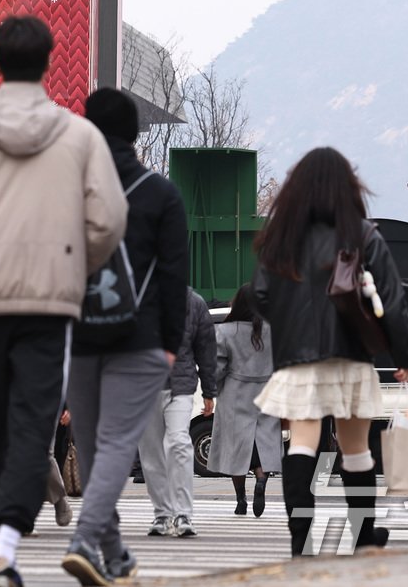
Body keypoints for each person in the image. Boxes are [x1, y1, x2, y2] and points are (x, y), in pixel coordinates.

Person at [0, 16, 128, 587]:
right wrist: (72, 263)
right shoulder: (79, 137)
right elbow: (109, 219)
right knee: (34, 415)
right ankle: (9, 536)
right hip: (49, 299)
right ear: (49, 61)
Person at [251, 147, 408, 558]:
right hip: (350, 355)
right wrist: (404, 356)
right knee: (355, 447)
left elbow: (260, 296)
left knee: (302, 443)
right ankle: (363, 536)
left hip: (297, 360)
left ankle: (300, 541)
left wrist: (291, 327)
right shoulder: (362, 235)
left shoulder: (281, 238)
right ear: (348, 186)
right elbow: (393, 302)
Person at [59, 87, 187, 586]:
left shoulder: (70, 190)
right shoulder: (160, 194)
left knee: (93, 446)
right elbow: (174, 276)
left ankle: (115, 557)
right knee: (116, 444)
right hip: (141, 336)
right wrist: (170, 342)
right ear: (135, 133)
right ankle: (87, 542)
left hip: (78, 333)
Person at [139, 285, 215, 540]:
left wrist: (209, 390)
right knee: (151, 453)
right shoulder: (137, 298)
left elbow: (206, 348)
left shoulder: (194, 302)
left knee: (179, 442)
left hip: (179, 386)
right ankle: (162, 513)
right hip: (145, 386)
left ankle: (182, 514)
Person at [209, 284, 283, 518]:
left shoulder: (226, 331)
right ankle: (261, 480)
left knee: (236, 450)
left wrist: (213, 389)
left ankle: (241, 499)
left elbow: (218, 367)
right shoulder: (273, 330)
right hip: (266, 392)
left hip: (235, 393)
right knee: (263, 443)